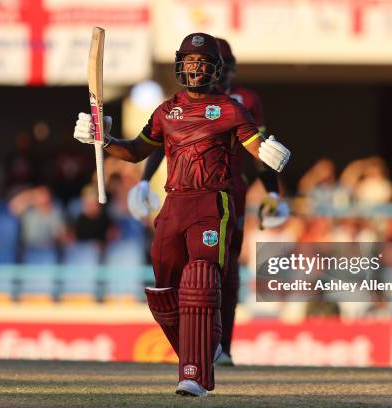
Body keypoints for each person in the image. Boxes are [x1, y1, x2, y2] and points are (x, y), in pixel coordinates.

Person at [73, 33, 290, 396]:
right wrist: (104, 140)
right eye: (189, 61)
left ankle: (194, 373)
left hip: (212, 203)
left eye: (202, 62)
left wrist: (272, 161)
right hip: (174, 204)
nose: (195, 68)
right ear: (179, 65)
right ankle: (206, 350)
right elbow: (137, 150)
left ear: (215, 69)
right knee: (163, 289)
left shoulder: (232, 109)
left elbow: (256, 146)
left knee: (202, 280)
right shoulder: (165, 111)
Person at [126, 37, 289, 367]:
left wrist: (272, 191)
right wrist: (144, 178)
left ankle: (220, 347)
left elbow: (260, 152)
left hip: (231, 191)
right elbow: (165, 141)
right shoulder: (179, 104)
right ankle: (199, 347)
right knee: (183, 274)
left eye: (221, 66)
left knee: (222, 272)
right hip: (185, 195)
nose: (218, 73)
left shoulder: (242, 102)